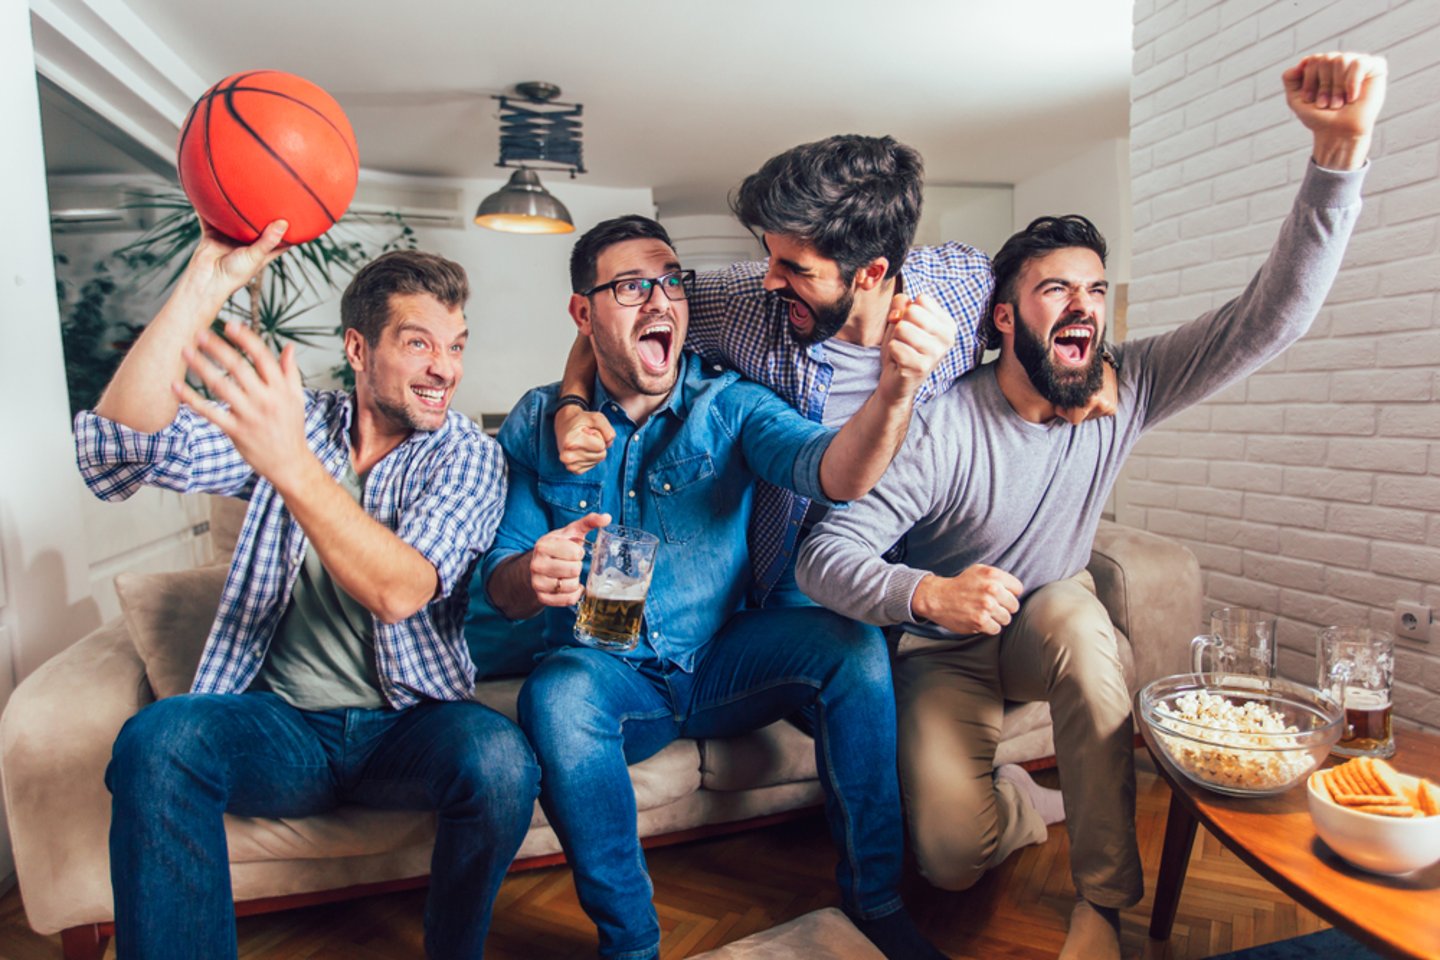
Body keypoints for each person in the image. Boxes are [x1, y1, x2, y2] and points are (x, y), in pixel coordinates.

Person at [795, 52, 1385, 960]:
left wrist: (1338, 155)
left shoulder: (1129, 384)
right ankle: (1020, 807)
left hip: (1049, 615)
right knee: (952, 859)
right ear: (1005, 318)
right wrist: (929, 595)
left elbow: (1270, 318)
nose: (1085, 306)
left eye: (1097, 290)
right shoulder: (944, 425)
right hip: (945, 645)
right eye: (1057, 290)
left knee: (1078, 623)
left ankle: (1100, 907)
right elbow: (824, 555)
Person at [481, 215, 952, 960]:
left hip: (723, 658)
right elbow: (499, 586)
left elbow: (831, 470)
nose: (661, 300)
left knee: (851, 644)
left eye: (671, 281)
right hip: (612, 677)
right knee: (556, 694)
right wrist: (530, 572)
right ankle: (632, 946)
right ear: (583, 314)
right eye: (633, 286)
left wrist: (897, 387)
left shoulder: (727, 403)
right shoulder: (542, 421)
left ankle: (878, 903)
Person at [75, 225, 538, 960]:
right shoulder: (296, 424)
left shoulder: (470, 457)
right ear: (358, 350)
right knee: (157, 742)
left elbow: (400, 589)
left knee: (503, 762)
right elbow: (118, 452)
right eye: (419, 343)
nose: (443, 369)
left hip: (408, 726)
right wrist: (205, 280)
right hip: (279, 727)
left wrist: (290, 466)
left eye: (455, 346)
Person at [548, 135, 1117, 607]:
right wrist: (572, 405)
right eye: (769, 255)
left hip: (916, 569)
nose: (770, 277)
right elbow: (613, 321)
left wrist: (1099, 372)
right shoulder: (745, 300)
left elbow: (1049, 317)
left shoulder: (965, 287)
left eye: (794, 268)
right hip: (790, 571)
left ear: (870, 273)